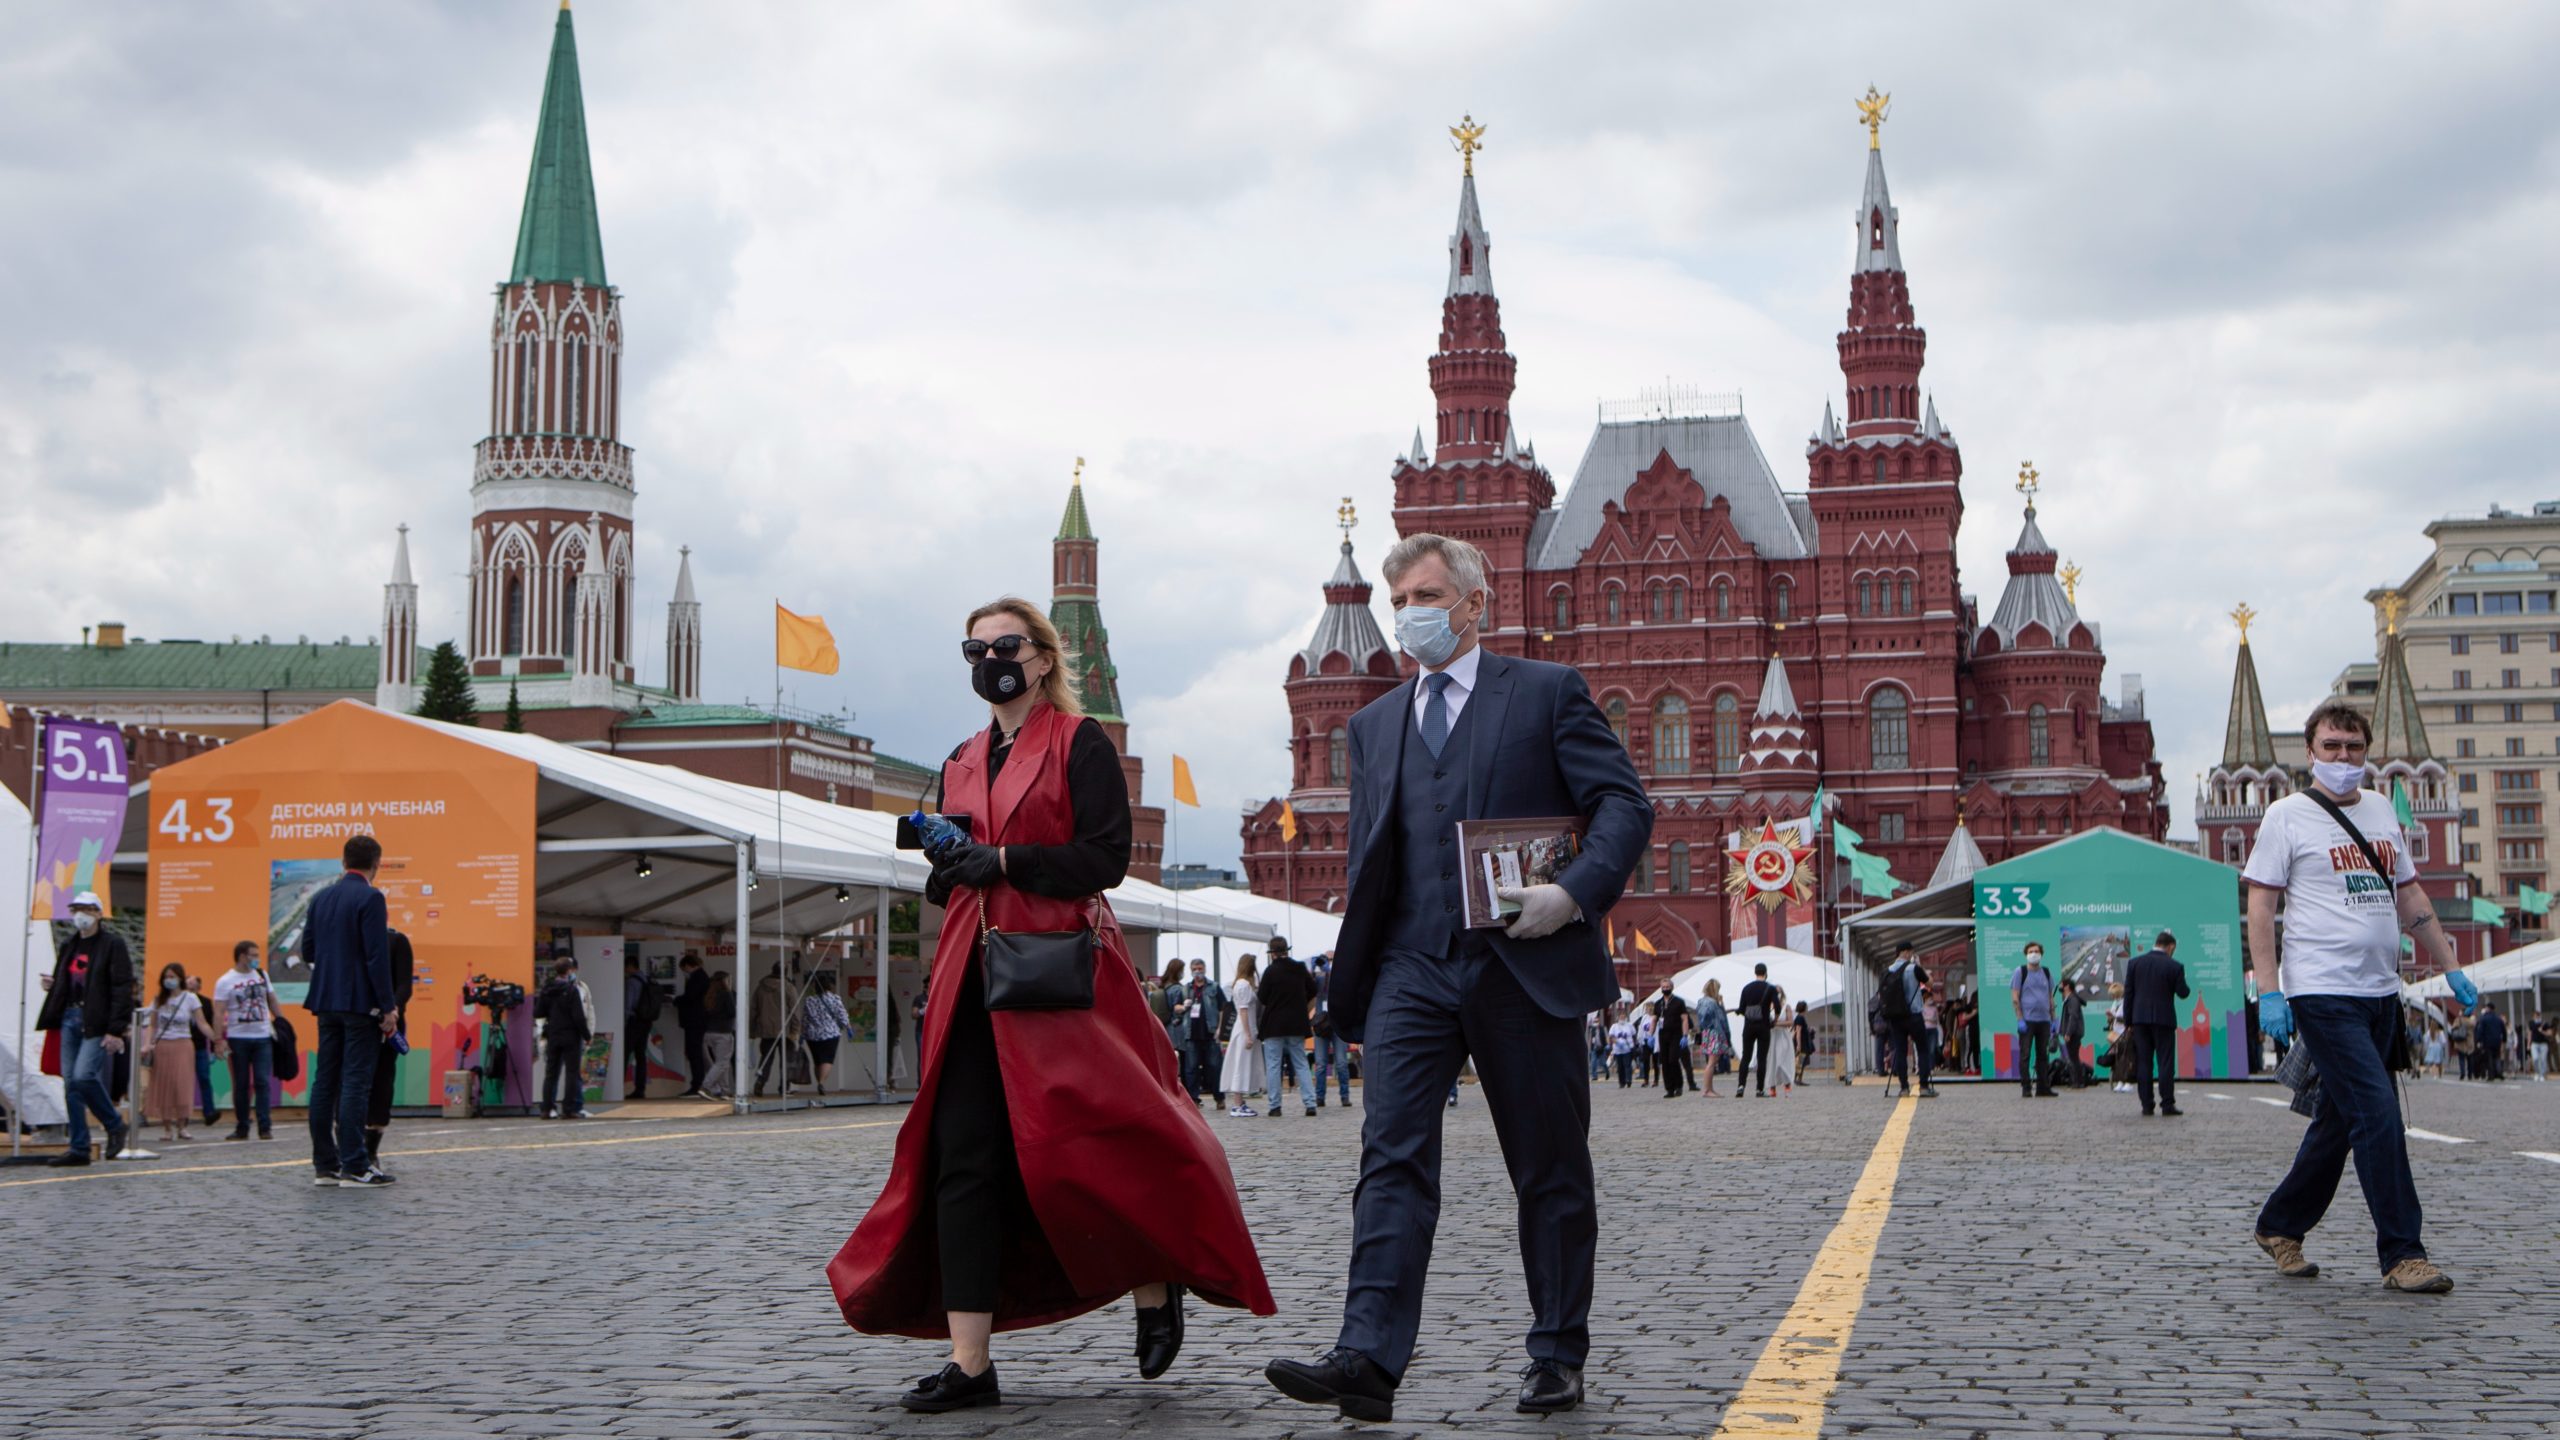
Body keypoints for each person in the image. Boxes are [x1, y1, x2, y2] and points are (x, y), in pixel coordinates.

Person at [828, 597, 1271, 1411]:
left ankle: (1153, 1278)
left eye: (1005, 644)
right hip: (972, 973)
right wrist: (947, 860)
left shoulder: (1079, 742)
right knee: (964, 1162)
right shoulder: (962, 755)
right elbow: (958, 871)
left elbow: (1102, 857)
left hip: (1060, 974)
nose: (989, 659)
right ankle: (971, 1366)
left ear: (1041, 658)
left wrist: (999, 859)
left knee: (1091, 1143)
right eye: (975, 647)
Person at [1265, 533, 1650, 1421]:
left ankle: (1556, 1352)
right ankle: (1366, 1356)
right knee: (1390, 1155)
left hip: (1525, 965)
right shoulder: (1373, 724)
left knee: (1548, 1165)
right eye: (1399, 601)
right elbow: (1376, 856)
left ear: (1476, 604)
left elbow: (1624, 803)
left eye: (1427, 596)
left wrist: (1575, 893)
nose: (1410, 615)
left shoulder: (1547, 693)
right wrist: (1354, 981)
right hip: (1411, 967)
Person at [2246, 700, 2454, 1293]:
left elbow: (2409, 895)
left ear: (2367, 754)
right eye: (2332, 747)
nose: (2344, 758)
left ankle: (2280, 1224)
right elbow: (2261, 906)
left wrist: (2450, 965)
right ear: (2310, 753)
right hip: (2321, 991)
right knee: (2378, 1115)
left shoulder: (2384, 809)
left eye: (2354, 748)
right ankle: (2403, 1253)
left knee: (2340, 1122)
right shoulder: (2286, 816)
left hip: (2380, 992)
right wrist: (2270, 990)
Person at [305, 836, 398, 1188]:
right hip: (360, 1002)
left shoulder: (321, 897)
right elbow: (377, 957)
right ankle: (356, 1165)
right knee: (356, 1082)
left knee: (324, 1082)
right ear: (376, 862)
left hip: (325, 1000)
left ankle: (324, 1165)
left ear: (343, 860)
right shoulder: (371, 897)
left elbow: (309, 950)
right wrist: (388, 1006)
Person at [33, 891, 134, 1166]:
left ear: (99, 913)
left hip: (96, 1021)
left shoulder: (112, 945)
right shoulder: (69, 945)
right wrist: (53, 987)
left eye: (87, 909)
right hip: (69, 1016)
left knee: (83, 1075)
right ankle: (79, 1146)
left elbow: (122, 987)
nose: (81, 914)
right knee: (70, 1085)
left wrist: (116, 1027)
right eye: (77, 908)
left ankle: (114, 1123)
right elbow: (69, 981)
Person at [141, 962, 217, 1143]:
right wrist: (147, 1045)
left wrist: (217, 1038)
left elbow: (202, 1023)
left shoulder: (190, 998)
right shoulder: (159, 1000)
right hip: (163, 1046)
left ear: (180, 978)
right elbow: (152, 1025)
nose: (169, 980)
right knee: (164, 1085)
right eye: (166, 977)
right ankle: (167, 1128)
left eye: (173, 976)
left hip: (183, 1045)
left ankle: (182, 1126)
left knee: (181, 1085)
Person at [213, 941, 280, 1141]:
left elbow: (272, 999)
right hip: (238, 1037)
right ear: (242, 956)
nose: (256, 958)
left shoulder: (261, 974)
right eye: (253, 954)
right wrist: (218, 1039)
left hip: (262, 1036)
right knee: (241, 1084)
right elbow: (218, 1011)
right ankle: (242, 1126)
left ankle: (264, 1126)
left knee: (262, 1081)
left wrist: (282, 1021)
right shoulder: (226, 981)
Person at [363, 928, 417, 1165]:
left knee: (382, 1080)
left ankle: (371, 1148)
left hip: (388, 1022)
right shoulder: (352, 938)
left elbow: (405, 984)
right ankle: (347, 1144)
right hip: (355, 1018)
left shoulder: (396, 941)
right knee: (348, 1081)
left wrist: (393, 1009)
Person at [2123, 931, 2191, 1116]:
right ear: (2170, 947)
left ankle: (2147, 1105)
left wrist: (2128, 1021)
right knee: (2165, 1063)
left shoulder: (2135, 963)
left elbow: (2128, 995)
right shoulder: (2175, 966)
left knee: (2144, 1063)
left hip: (2140, 1020)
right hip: (2164, 1020)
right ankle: (2167, 1104)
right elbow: (2183, 993)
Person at [1257, 941, 1318, 1118]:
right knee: (1301, 1063)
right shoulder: (1299, 968)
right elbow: (1313, 990)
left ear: (1272, 953)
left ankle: (1275, 1106)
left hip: (1274, 1024)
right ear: (1286, 950)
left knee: (1274, 1065)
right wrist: (1303, 1008)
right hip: (1297, 1023)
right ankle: (1310, 1103)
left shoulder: (1270, 971)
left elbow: (1262, 998)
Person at [536, 957, 594, 1120]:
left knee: (551, 1073)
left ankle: (547, 1109)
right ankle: (570, 1108)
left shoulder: (546, 989)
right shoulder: (571, 990)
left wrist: (552, 1012)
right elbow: (578, 1016)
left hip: (553, 1034)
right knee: (572, 1072)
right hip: (571, 1035)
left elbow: (538, 1012)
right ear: (569, 971)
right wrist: (587, 1035)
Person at [1880, 943, 1936, 1098]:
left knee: (1900, 1051)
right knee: (1923, 1050)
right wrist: (1920, 966)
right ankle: (1924, 1087)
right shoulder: (1913, 969)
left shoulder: (1887, 971)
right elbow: (1930, 984)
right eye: (1911, 952)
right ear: (1905, 952)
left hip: (1896, 1017)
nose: (1912, 954)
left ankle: (1904, 1088)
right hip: (1914, 1015)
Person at [1219, 956, 1265, 1117]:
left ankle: (1239, 1102)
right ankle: (1238, 1104)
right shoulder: (1244, 985)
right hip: (1245, 1028)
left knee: (1241, 1063)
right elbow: (1244, 1010)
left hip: (1245, 1027)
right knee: (1240, 1064)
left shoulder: (1240, 984)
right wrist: (1248, 1034)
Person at [2011, 943, 2058, 1099]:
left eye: (2036, 951)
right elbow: (2015, 997)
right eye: (2031, 951)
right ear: (2026, 954)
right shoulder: (2020, 972)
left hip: (2044, 1020)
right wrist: (2020, 1019)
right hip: (2028, 1020)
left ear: (2041, 954)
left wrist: (2054, 1018)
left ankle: (2043, 1087)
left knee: (2043, 1055)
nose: (2034, 954)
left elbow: (2050, 996)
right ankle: (2026, 1087)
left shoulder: (2046, 972)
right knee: (2025, 1055)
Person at [1309, 952, 1353, 1108]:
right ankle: (1320, 1097)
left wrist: (1329, 971)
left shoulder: (1341, 977)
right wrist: (1313, 968)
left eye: (1331, 960)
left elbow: (1345, 988)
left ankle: (1345, 1096)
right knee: (1320, 1063)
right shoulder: (1319, 978)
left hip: (1338, 1023)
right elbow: (1309, 989)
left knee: (1341, 1062)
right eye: (1327, 960)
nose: (1328, 963)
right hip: (1321, 1023)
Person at [181, 974, 221, 1131]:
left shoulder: (204, 1003)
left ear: (198, 987)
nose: (190, 986)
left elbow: (208, 1024)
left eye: (193, 984)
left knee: (204, 1079)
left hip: (199, 1047)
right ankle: (182, 1115)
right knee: (183, 1082)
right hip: (183, 1045)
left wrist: (213, 1047)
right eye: (187, 983)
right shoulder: (180, 1001)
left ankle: (209, 1111)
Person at [802, 978, 853, 1096]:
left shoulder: (809, 1000)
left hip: (813, 1034)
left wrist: (803, 1033)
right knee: (827, 1059)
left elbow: (805, 1019)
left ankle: (819, 1082)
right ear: (829, 986)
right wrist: (848, 1028)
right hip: (831, 1033)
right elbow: (842, 1015)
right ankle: (821, 1082)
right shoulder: (835, 999)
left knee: (817, 1060)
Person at [1185, 959, 1225, 1106]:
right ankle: (1194, 1099)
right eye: (1194, 968)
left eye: (1200, 968)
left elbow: (1222, 1008)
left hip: (1210, 1032)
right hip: (1192, 1033)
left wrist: (1220, 1028)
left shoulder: (1214, 987)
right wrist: (1182, 1006)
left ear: (1205, 969)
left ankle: (1219, 1097)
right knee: (1191, 1068)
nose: (1197, 971)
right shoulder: (1187, 988)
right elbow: (1177, 1007)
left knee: (1214, 1067)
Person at [1735, 962, 1776, 1098]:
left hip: (1749, 1026)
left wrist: (1745, 1012)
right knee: (1761, 1058)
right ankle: (1759, 1089)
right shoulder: (1770, 988)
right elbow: (1777, 1006)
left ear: (1755, 972)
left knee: (1745, 1057)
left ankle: (1741, 1086)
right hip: (1764, 1026)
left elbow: (1741, 1009)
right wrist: (1773, 1019)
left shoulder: (1746, 988)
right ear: (1766, 973)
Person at [674, 954, 712, 1096]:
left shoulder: (697, 979)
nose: (684, 971)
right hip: (699, 1021)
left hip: (694, 1021)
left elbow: (690, 998)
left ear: (688, 966)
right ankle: (699, 1083)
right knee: (697, 1053)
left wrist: (677, 1000)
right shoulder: (703, 977)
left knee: (694, 1053)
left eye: (684, 968)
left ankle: (697, 1084)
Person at [626, 955, 661, 1099]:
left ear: (629, 966)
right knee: (641, 1055)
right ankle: (640, 1089)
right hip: (646, 1022)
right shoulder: (648, 979)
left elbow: (628, 1004)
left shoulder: (632, 982)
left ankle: (617, 1088)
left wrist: (623, 1021)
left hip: (634, 1021)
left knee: (625, 1053)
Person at [702, 971, 738, 1098]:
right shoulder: (727, 994)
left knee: (722, 1063)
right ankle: (706, 1086)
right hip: (724, 1032)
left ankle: (725, 1090)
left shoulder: (710, 994)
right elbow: (732, 1012)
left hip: (709, 1032)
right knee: (722, 1063)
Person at [1652, 981, 1689, 1099]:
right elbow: (1654, 1019)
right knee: (1665, 1062)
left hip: (1676, 1034)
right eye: (1663, 987)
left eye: (1667, 987)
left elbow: (1684, 1019)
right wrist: (1649, 1035)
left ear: (1672, 988)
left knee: (1673, 1059)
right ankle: (1669, 1088)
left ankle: (1679, 1085)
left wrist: (1685, 1035)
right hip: (1663, 1034)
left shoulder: (1679, 1002)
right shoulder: (1658, 1004)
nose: (1665, 989)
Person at [1695, 979, 1731, 1097]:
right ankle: (1706, 1089)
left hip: (1708, 1033)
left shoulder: (1701, 1002)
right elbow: (1721, 1018)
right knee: (1711, 1062)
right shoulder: (1711, 1003)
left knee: (1712, 1061)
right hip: (1714, 1033)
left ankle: (1710, 1088)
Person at [2057, 980, 2088, 1089]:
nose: (2060, 987)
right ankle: (2077, 1081)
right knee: (2073, 1057)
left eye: (2062, 985)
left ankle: (2078, 1082)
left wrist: (2068, 1033)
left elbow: (2073, 1017)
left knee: (2073, 1057)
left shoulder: (2072, 1000)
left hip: (2074, 1033)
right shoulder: (2070, 999)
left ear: (2067, 987)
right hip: (2073, 1032)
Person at [2471, 1003, 2506, 1083]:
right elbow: (2503, 1030)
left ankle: (2491, 1075)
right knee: (2497, 1057)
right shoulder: (2499, 1019)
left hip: (2487, 1041)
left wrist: (2478, 1040)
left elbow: (2480, 1030)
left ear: (2488, 1008)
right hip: (2497, 1041)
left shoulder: (2484, 1019)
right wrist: (2504, 1040)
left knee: (2489, 1058)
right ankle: (2499, 1072)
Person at [1607, 1012, 1636, 1088]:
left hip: (1627, 1049)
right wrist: (1617, 1042)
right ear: (1618, 1017)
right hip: (1618, 1049)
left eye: (1623, 1016)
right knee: (1620, 1067)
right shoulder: (1614, 1026)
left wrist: (1633, 1045)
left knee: (1627, 1065)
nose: (1622, 1018)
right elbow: (1611, 1036)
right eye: (1621, 1016)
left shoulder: (1629, 1025)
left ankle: (1628, 1080)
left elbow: (1633, 1035)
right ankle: (1621, 1082)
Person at [2531, 1013, 2551, 1082]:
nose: (2536, 1018)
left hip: (2543, 1044)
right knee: (2535, 1059)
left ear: (2540, 1017)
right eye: (2535, 1017)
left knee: (2543, 1060)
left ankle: (2542, 1074)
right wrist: (2528, 1044)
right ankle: (2537, 1073)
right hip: (2534, 1044)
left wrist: (2542, 1031)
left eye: (2537, 1016)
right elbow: (2529, 1033)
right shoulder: (2531, 1023)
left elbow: (2549, 1033)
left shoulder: (2545, 1024)